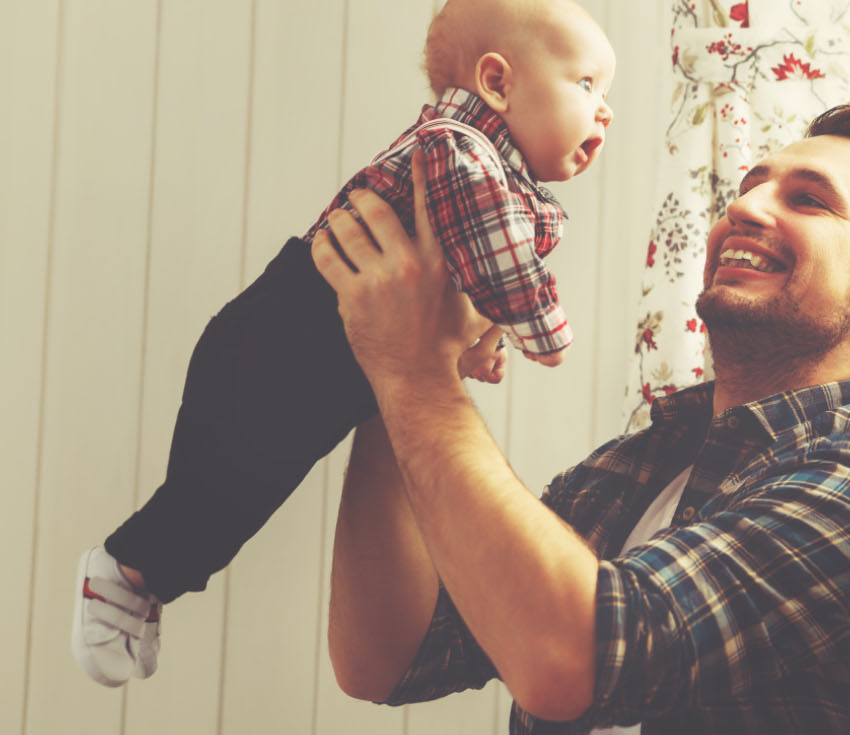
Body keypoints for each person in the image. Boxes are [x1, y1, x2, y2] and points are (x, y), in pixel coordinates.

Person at [315, 105, 850, 734]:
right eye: (748, 188)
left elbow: (570, 661)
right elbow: (385, 658)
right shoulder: (633, 466)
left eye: (809, 199)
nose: (742, 208)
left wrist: (418, 371)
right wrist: (386, 374)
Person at [72, 0, 615, 688]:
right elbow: (501, 262)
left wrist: (472, 342)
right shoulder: (463, 148)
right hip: (295, 327)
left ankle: (143, 581)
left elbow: (469, 275)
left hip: (338, 344)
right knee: (230, 478)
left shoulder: (498, 174)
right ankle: (123, 571)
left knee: (248, 485)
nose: (605, 113)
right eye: (588, 85)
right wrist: (543, 329)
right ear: (498, 83)